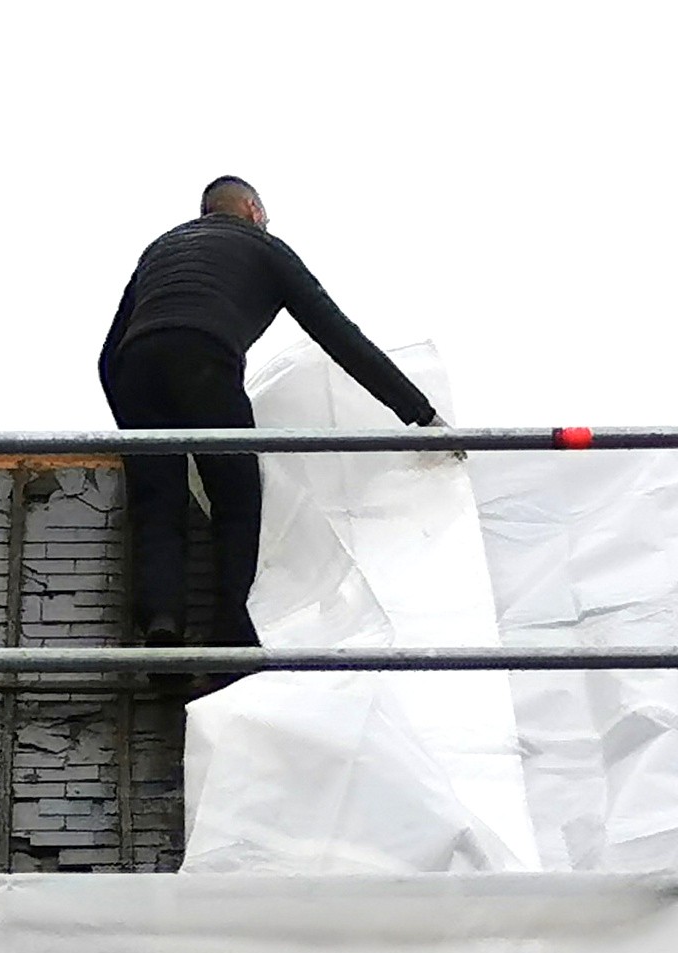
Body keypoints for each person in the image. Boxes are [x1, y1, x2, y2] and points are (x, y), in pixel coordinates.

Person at [99, 176, 443, 653]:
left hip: (136, 366)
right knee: (237, 497)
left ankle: (162, 622)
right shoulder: (266, 249)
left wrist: (134, 433)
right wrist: (422, 415)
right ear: (253, 210)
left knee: (157, 502)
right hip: (206, 358)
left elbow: (105, 355)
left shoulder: (162, 248)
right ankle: (229, 633)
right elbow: (341, 338)